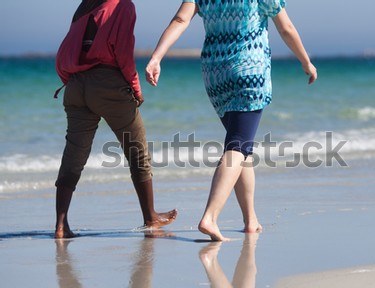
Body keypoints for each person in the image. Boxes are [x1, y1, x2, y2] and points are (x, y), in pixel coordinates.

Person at [146, 0, 317, 241]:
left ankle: (250, 220)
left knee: (239, 146)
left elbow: (180, 20)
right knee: (238, 146)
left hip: (215, 75)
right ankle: (210, 217)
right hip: (249, 70)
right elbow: (286, 28)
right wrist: (306, 62)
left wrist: (156, 58)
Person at [54, 0, 177, 239]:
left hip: (76, 85)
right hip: (107, 82)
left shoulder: (84, 5)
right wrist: (135, 88)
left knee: (74, 154)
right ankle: (150, 216)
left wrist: (72, 81)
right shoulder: (123, 5)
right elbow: (122, 52)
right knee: (137, 149)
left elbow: (69, 48)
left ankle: (61, 225)